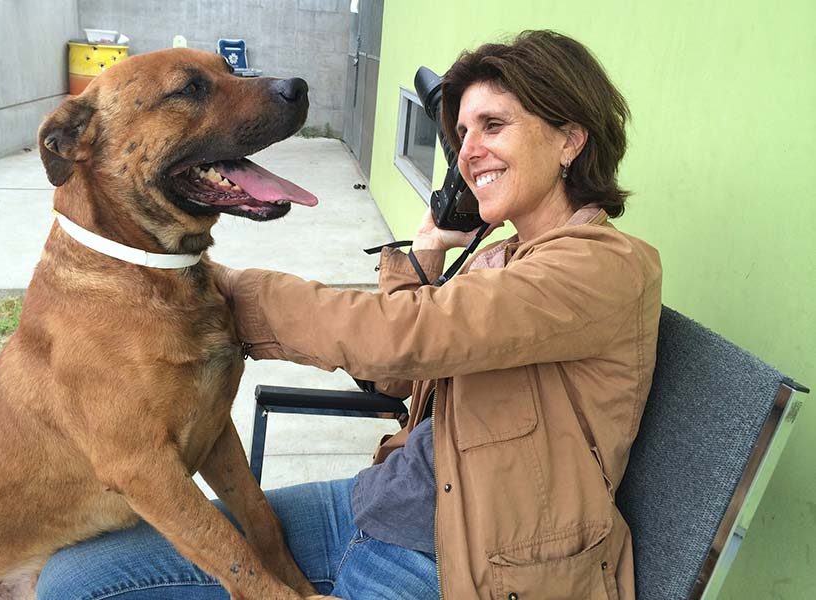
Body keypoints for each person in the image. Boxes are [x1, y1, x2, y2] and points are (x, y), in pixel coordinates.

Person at [37, 30, 661, 599]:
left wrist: (216, 286)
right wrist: (422, 252)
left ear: (570, 140)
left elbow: (404, 338)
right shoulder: (505, 257)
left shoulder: (601, 269)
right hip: (382, 504)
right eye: (462, 134)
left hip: (457, 556)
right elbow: (401, 378)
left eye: (492, 126)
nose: (468, 154)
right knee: (73, 580)